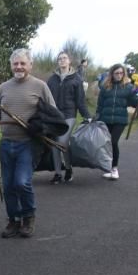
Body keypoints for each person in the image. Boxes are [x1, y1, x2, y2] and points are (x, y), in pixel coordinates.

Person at [0, 48, 57, 238]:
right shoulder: (4, 87)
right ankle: (13, 220)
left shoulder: (40, 86)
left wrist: (39, 127)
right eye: (15, 63)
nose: (19, 67)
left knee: (21, 182)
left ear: (30, 65)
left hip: (28, 144)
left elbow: (53, 114)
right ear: (11, 66)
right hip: (7, 144)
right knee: (8, 185)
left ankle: (28, 216)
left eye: (23, 63)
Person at [45, 51, 91, 184]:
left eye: (64, 58)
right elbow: (46, 98)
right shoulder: (52, 79)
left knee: (62, 142)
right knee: (55, 144)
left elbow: (80, 101)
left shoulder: (76, 79)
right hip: (55, 116)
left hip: (69, 115)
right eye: (59, 59)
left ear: (69, 61)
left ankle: (69, 168)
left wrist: (87, 116)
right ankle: (58, 173)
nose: (62, 60)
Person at [95, 64, 138, 180]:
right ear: (112, 74)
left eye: (121, 73)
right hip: (106, 119)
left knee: (113, 142)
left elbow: (134, 102)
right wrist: (97, 116)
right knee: (106, 143)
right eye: (117, 73)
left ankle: (114, 169)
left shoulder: (128, 87)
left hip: (120, 120)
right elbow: (100, 104)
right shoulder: (105, 87)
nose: (119, 75)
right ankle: (109, 167)